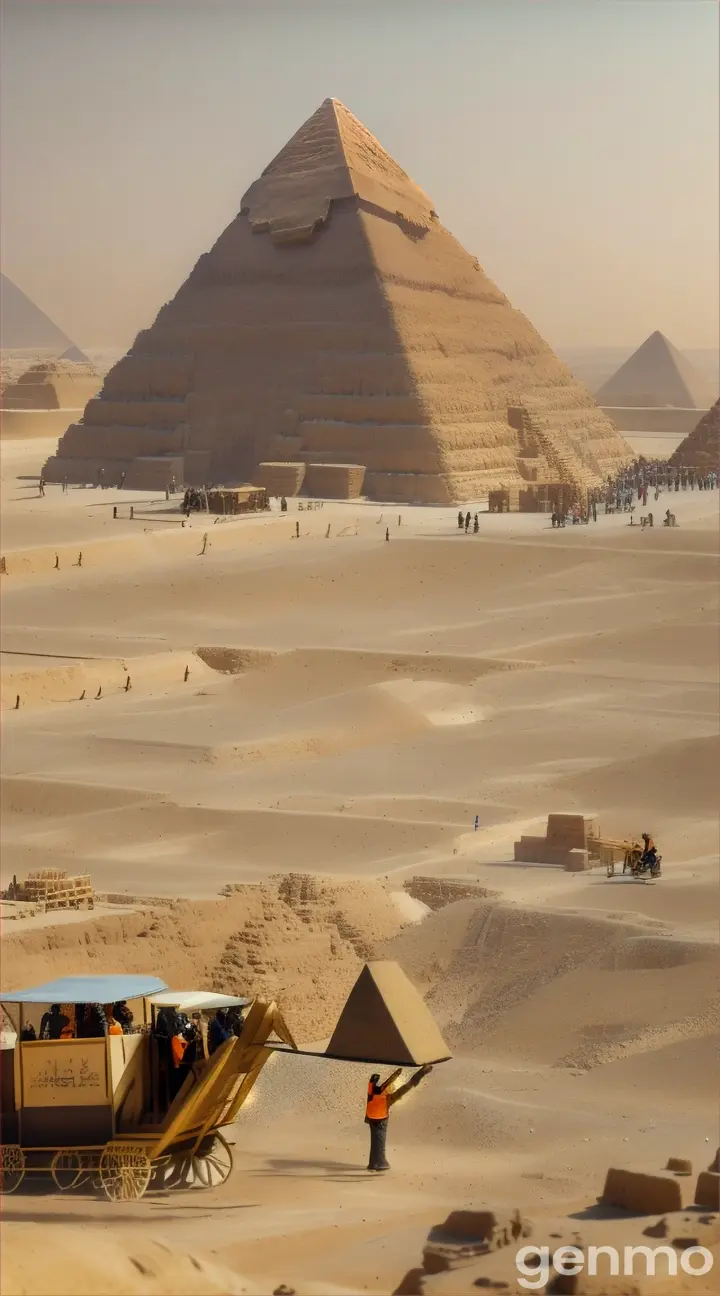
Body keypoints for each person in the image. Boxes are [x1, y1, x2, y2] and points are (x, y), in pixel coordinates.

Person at [365, 1064, 433, 1172]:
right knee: (379, 1140)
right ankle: (378, 1163)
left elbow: (385, 1082)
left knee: (376, 1141)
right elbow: (406, 1087)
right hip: (380, 1118)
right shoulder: (387, 1098)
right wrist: (421, 1073)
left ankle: (375, 1162)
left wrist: (397, 1073)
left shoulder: (372, 1091)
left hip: (371, 1117)